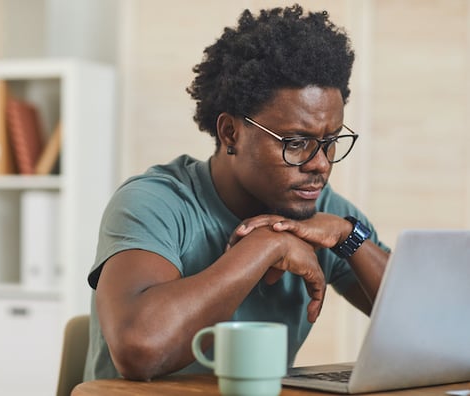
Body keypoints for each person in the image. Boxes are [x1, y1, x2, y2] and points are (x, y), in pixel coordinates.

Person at [84, 4, 391, 382]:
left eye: (330, 142)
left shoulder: (323, 216)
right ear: (231, 133)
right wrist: (265, 246)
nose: (321, 164)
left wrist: (349, 237)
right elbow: (140, 349)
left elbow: (439, 331)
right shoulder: (155, 202)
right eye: (296, 143)